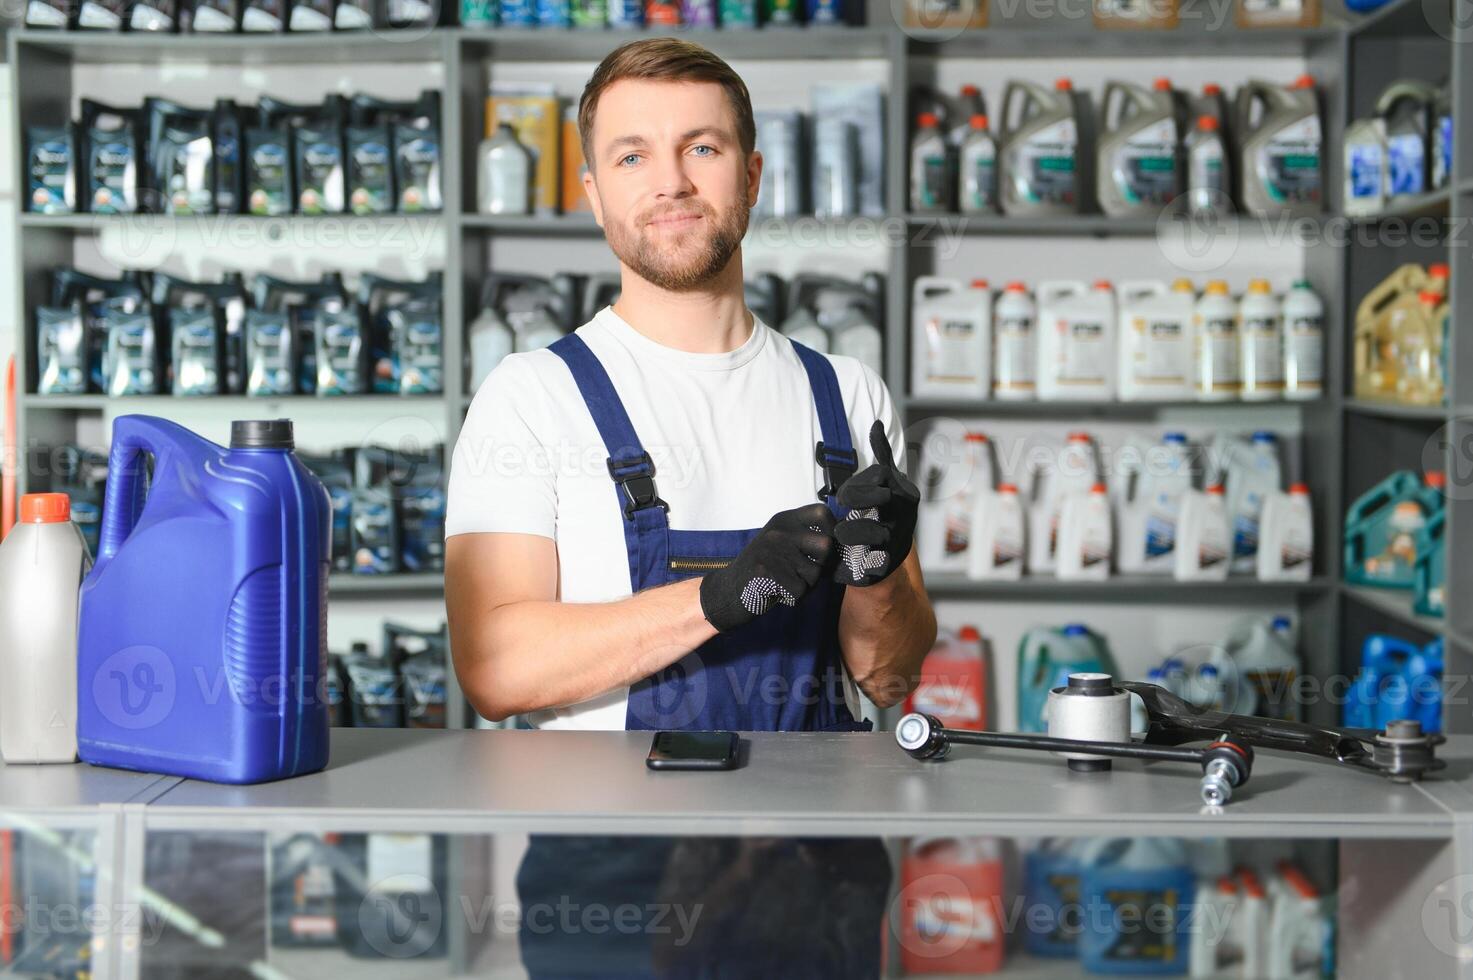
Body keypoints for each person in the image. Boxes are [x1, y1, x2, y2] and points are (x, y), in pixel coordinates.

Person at [445, 36, 936, 976]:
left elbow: (888, 678)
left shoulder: (848, 396)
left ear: (751, 175)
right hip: (612, 868)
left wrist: (876, 582)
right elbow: (495, 669)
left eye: (701, 148)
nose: (669, 180)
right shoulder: (530, 397)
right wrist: (716, 598)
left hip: (819, 855)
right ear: (592, 191)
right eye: (632, 154)